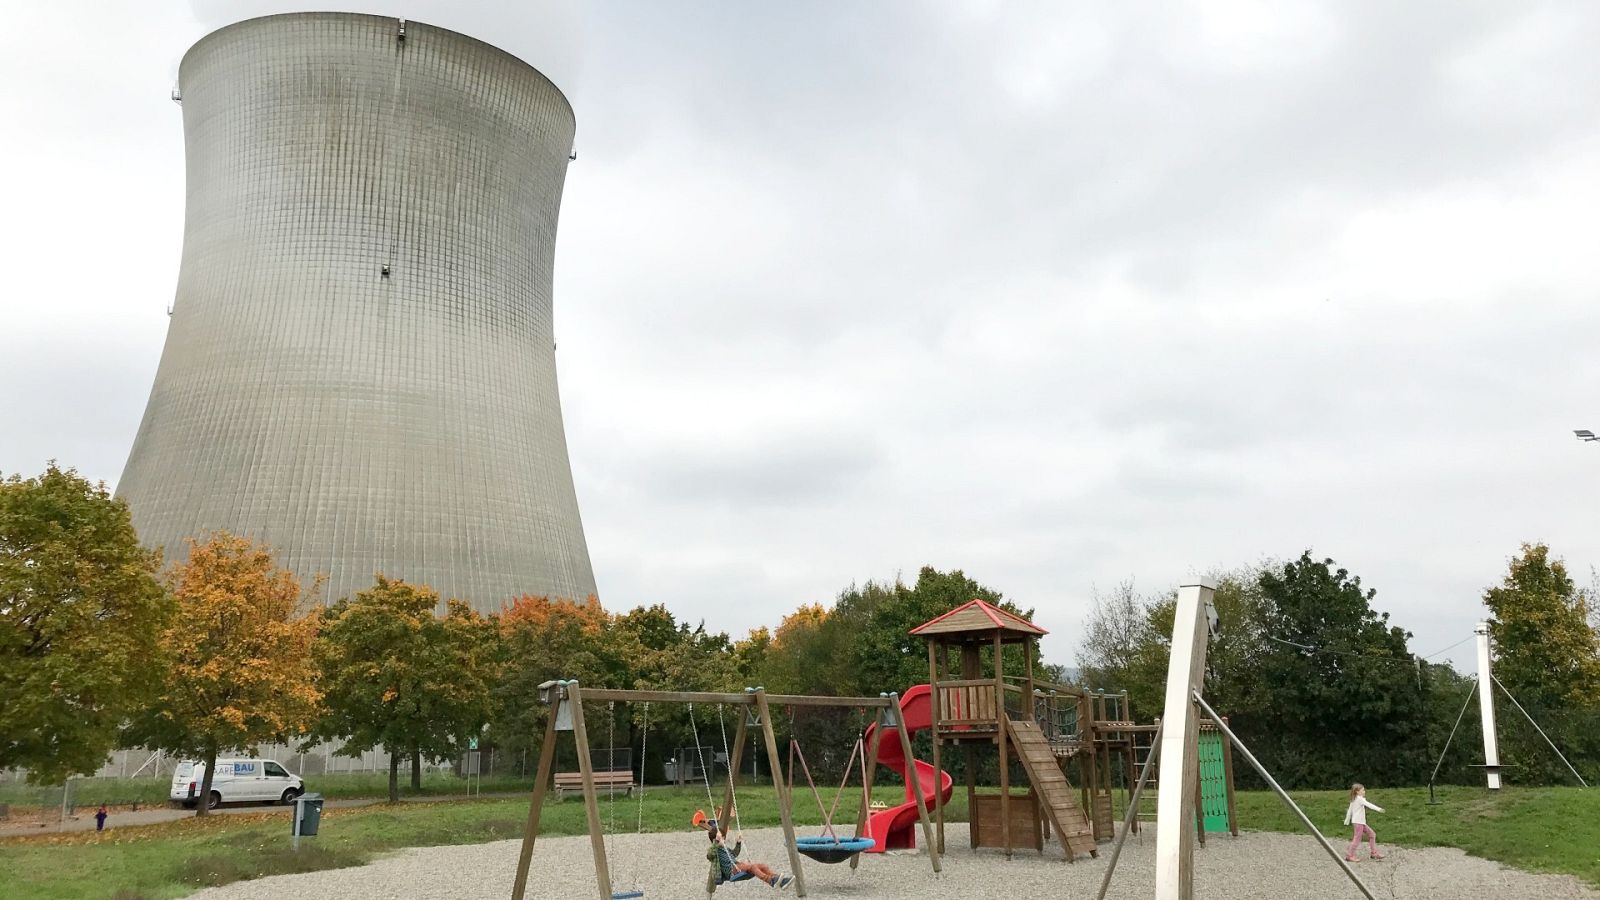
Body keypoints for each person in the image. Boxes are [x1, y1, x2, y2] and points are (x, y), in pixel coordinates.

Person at [706, 822, 793, 891]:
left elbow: (734, 854)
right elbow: (709, 855)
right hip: (731, 871)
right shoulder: (714, 851)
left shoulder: (725, 848)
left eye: (724, 838)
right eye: (722, 838)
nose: (724, 840)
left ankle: (780, 881)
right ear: (715, 840)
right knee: (753, 866)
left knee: (763, 866)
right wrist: (716, 843)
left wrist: (738, 843)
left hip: (737, 866)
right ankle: (770, 881)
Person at [1343, 783, 1384, 861]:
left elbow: (1349, 811)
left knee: (1372, 834)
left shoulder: (1354, 799)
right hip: (1358, 823)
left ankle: (1374, 853)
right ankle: (1349, 856)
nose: (1364, 791)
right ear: (1357, 792)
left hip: (1360, 822)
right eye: (1363, 790)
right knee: (1357, 839)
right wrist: (1379, 809)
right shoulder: (1359, 799)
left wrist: (1347, 820)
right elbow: (1369, 805)